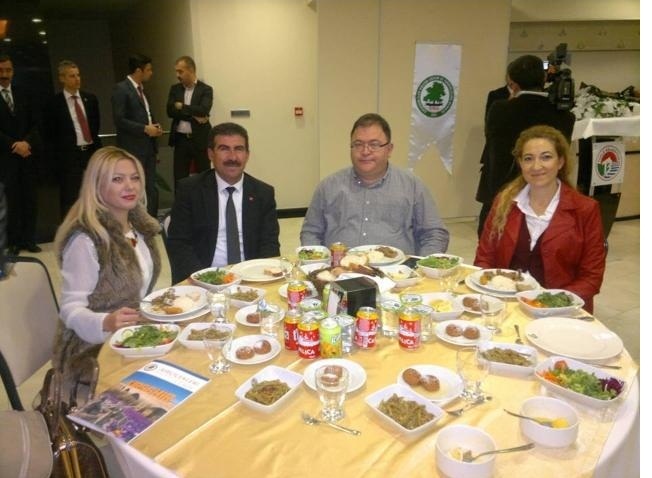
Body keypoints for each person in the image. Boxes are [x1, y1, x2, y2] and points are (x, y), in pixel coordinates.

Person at [52, 146, 162, 372]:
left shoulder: (139, 228)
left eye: (135, 178)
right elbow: (70, 309)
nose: (130, 186)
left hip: (132, 337)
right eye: (117, 179)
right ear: (97, 185)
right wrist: (105, 322)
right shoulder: (86, 239)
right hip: (91, 351)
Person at [474, 125, 605, 312]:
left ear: (560, 161)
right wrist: (490, 291)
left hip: (560, 308)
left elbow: (591, 277)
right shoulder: (504, 202)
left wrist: (548, 304)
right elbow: (484, 258)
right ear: (520, 163)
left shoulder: (585, 209)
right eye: (528, 158)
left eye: (546, 157)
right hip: (505, 304)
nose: (536, 166)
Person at [300, 113, 449, 255]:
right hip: (339, 269)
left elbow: (434, 234)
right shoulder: (328, 187)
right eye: (358, 144)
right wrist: (318, 263)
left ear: (389, 149)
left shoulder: (412, 186)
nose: (365, 151)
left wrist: (420, 267)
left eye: (374, 144)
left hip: (397, 270)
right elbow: (310, 232)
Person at [166, 122, 280, 284]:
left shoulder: (263, 193)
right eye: (224, 149)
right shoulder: (190, 190)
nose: (232, 157)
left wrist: (259, 278)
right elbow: (179, 244)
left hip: (251, 278)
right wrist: (205, 280)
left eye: (239, 149)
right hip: (205, 277)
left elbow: (269, 245)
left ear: (247, 155)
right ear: (210, 154)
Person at [475, 54, 575, 237]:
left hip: (501, 190)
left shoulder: (500, 109)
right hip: (544, 193)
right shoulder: (565, 117)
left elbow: (491, 140)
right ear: (544, 79)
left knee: (493, 242)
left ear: (512, 83)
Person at [43, 60, 101, 217]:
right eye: (72, 76)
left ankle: (96, 226)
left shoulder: (90, 99)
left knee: (95, 194)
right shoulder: (54, 104)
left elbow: (95, 126)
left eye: (78, 75)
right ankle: (72, 229)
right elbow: (50, 134)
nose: (77, 79)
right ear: (62, 78)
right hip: (69, 156)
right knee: (71, 198)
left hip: (90, 152)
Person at [111, 53, 162, 218]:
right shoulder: (121, 89)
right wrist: (144, 129)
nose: (151, 73)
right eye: (149, 69)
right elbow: (119, 120)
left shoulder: (142, 90)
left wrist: (154, 126)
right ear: (139, 70)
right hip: (132, 148)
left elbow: (146, 115)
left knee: (151, 187)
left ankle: (151, 221)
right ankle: (135, 220)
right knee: (134, 187)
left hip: (148, 148)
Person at [0, 53, 42, 254]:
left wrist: (26, 143)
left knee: (30, 199)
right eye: (1, 71)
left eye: (8, 70)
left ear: (13, 71)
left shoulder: (24, 93)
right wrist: (14, 145)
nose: (4, 74)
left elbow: (36, 123)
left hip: (27, 156)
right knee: (12, 201)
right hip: (5, 159)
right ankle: (14, 242)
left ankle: (29, 239)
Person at [166, 55, 213, 189]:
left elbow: (203, 110)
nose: (177, 75)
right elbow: (170, 111)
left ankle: (205, 202)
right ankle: (181, 203)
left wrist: (182, 106)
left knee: (205, 176)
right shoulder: (175, 89)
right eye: (176, 71)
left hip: (200, 139)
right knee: (180, 178)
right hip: (181, 140)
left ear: (191, 70)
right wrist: (194, 116)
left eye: (180, 71)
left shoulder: (205, 89)